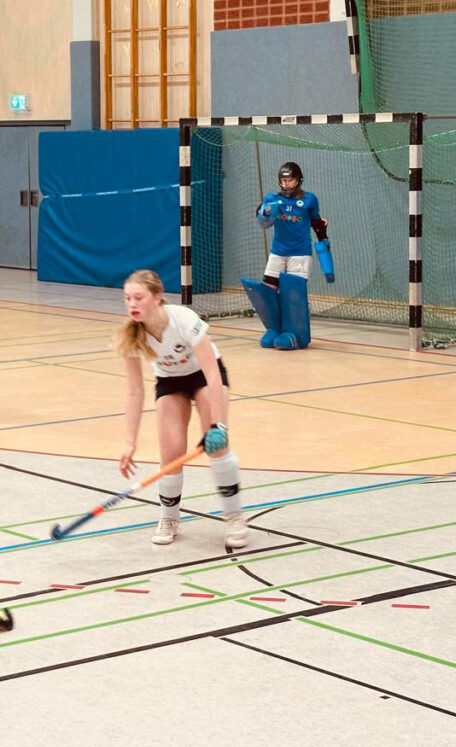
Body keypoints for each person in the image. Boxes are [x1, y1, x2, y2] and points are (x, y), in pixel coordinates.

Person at [117, 270, 246, 549]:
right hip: (170, 381)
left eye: (138, 297)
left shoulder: (183, 319)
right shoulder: (131, 335)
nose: (132, 304)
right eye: (127, 298)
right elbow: (134, 392)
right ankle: (169, 518)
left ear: (157, 297)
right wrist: (130, 443)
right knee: (171, 453)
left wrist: (218, 425)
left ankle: (234, 517)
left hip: (204, 376)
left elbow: (212, 373)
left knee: (217, 447)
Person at [243, 161, 333, 350]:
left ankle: (295, 333)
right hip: (278, 251)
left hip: (300, 253)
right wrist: (264, 211)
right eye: (283, 181)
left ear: (298, 180)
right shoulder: (274, 199)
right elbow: (262, 217)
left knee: (293, 292)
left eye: (290, 180)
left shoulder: (309, 199)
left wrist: (324, 240)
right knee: (268, 289)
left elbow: (317, 223)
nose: (286, 184)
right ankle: (274, 329)